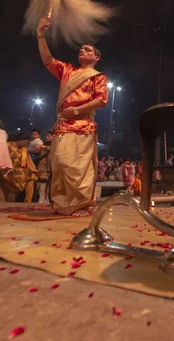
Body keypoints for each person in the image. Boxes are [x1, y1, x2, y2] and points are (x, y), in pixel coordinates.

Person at [36, 17, 108, 215]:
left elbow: (101, 100)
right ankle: (63, 204)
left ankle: (81, 204)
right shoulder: (68, 71)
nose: (82, 51)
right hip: (62, 125)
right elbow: (47, 60)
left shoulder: (98, 76)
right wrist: (40, 34)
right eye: (81, 49)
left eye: (88, 50)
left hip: (83, 125)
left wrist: (76, 110)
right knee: (58, 161)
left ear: (96, 58)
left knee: (76, 166)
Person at [2, 133, 38, 203]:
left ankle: (28, 201)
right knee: (23, 175)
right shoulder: (7, 145)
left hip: (20, 170)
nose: (26, 144)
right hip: (8, 168)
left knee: (32, 176)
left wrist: (34, 170)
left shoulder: (24, 150)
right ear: (19, 140)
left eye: (27, 143)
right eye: (25, 142)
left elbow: (29, 161)